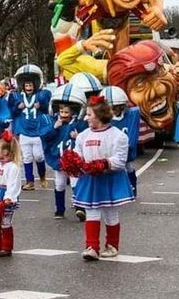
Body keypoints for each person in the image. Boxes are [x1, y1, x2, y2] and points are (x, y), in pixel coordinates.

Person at [68, 95, 135, 261]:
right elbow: (78, 154)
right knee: (91, 211)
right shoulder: (83, 136)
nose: (86, 118)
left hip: (109, 179)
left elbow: (120, 160)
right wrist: (75, 162)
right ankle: (92, 247)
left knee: (110, 213)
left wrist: (103, 164)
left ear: (99, 115)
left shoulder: (118, 136)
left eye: (89, 114)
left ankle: (112, 246)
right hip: (91, 179)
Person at [43, 83, 87, 219]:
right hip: (59, 159)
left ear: (73, 112)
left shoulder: (79, 124)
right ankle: (59, 209)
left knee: (75, 183)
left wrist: (77, 136)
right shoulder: (54, 123)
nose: (63, 115)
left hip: (73, 160)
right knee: (60, 184)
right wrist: (55, 128)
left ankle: (80, 207)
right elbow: (46, 138)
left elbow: (87, 137)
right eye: (61, 112)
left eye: (66, 112)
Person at [8, 64, 51, 191]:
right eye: (26, 86)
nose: (28, 88)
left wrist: (41, 106)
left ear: (35, 85)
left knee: (38, 156)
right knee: (26, 157)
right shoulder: (17, 96)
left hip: (37, 131)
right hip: (24, 131)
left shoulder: (41, 95)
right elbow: (10, 111)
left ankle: (42, 176)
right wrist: (17, 107)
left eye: (31, 85)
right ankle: (29, 181)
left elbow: (48, 106)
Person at [103, 86, 140, 196]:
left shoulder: (131, 116)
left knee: (129, 167)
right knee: (111, 169)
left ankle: (132, 187)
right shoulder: (105, 120)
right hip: (111, 150)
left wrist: (129, 145)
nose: (113, 111)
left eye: (115, 108)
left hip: (127, 149)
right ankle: (113, 190)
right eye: (109, 108)